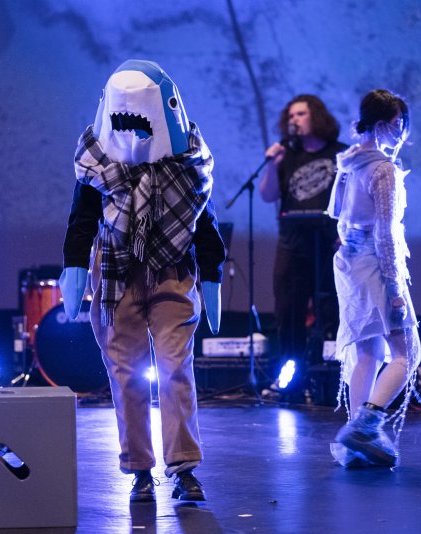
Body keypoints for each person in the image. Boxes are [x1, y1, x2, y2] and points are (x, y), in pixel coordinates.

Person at [61, 60, 226, 502]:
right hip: (117, 273)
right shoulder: (97, 160)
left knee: (175, 368)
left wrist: (212, 271)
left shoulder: (187, 159)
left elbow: (201, 217)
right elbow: (82, 218)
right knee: (126, 373)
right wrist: (75, 265)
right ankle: (138, 470)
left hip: (173, 270)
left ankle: (184, 467)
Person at [327, 89, 421, 467]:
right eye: (398, 125)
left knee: (368, 350)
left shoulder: (350, 163)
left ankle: (353, 443)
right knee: (407, 352)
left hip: (349, 264)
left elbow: (339, 217)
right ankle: (365, 425)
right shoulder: (382, 169)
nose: (401, 135)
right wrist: (396, 285)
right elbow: (385, 232)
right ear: (383, 124)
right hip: (375, 264)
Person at [258, 94, 347, 396]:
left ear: (317, 116)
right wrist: (272, 164)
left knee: (331, 311)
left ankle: (333, 380)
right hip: (292, 243)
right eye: (291, 115)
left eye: (301, 114)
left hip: (329, 246)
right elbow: (268, 195)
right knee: (288, 313)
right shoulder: (287, 155)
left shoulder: (341, 155)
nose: (294, 119)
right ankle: (291, 380)